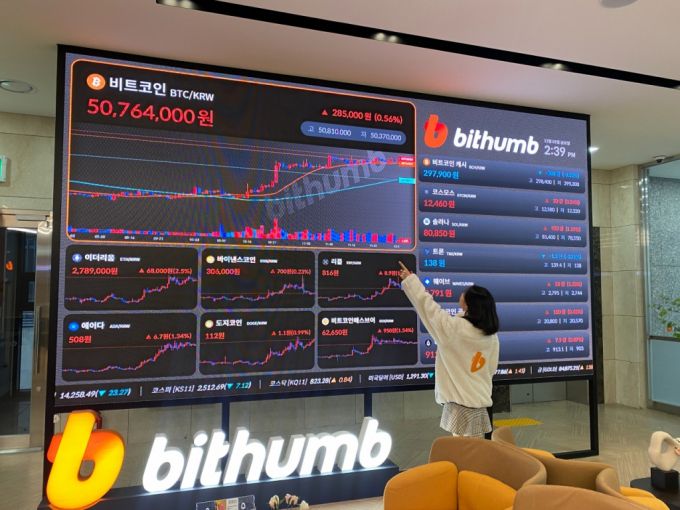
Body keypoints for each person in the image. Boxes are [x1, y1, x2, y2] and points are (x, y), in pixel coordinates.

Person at [398, 261, 499, 437]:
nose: (462, 294)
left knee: (463, 451)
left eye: (465, 293)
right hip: (479, 405)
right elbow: (491, 369)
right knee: (475, 450)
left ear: (468, 304)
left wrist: (411, 280)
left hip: (459, 406)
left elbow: (428, 308)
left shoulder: (454, 328)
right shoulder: (491, 336)